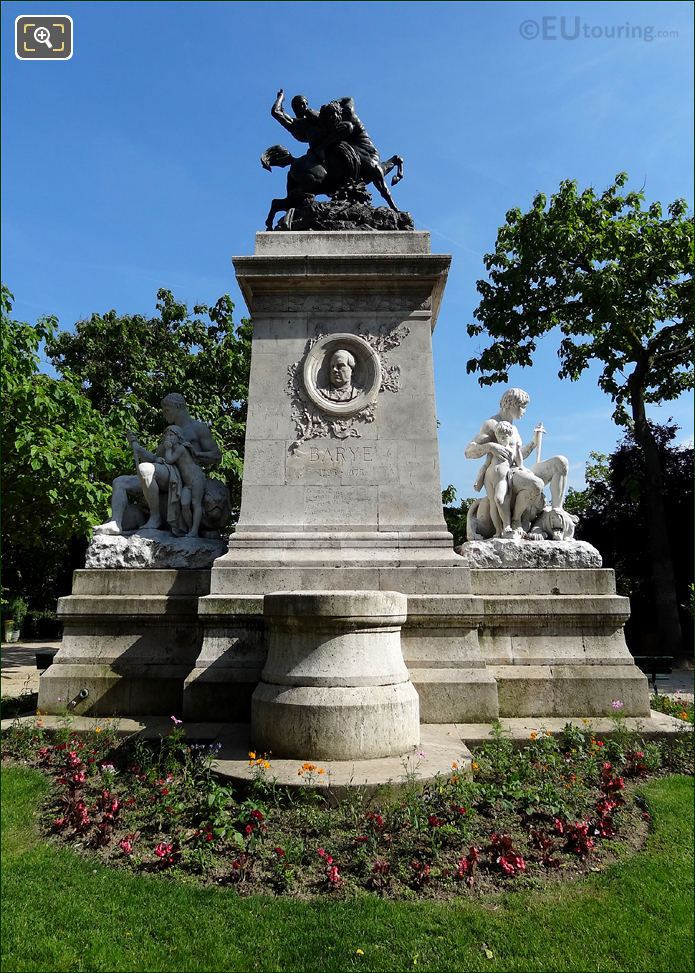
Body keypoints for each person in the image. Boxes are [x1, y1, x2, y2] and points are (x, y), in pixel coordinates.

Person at [95, 392, 222, 536]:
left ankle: (155, 518)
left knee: (145, 469)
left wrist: (196, 454)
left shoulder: (197, 428)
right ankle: (116, 523)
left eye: (167, 410)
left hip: (183, 476)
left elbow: (216, 456)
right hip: (166, 471)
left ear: (179, 407)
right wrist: (137, 447)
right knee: (120, 482)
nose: (164, 414)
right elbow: (155, 459)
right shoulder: (169, 433)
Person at [465, 388, 569, 537]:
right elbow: (468, 451)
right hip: (505, 474)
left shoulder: (514, 427)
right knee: (537, 484)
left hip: (518, 470)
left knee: (561, 462)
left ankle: (557, 513)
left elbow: (516, 456)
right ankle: (515, 521)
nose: (524, 411)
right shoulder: (491, 424)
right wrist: (490, 446)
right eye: (523, 406)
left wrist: (533, 442)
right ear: (511, 404)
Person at [161, 425, 207, 538]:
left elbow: (169, 460)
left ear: (178, 436)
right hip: (187, 484)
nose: (169, 438)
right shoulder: (178, 449)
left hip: (197, 478)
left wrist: (167, 449)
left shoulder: (180, 448)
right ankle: (190, 529)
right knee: (185, 504)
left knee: (196, 503)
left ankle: (195, 531)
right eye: (167, 436)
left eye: (171, 435)